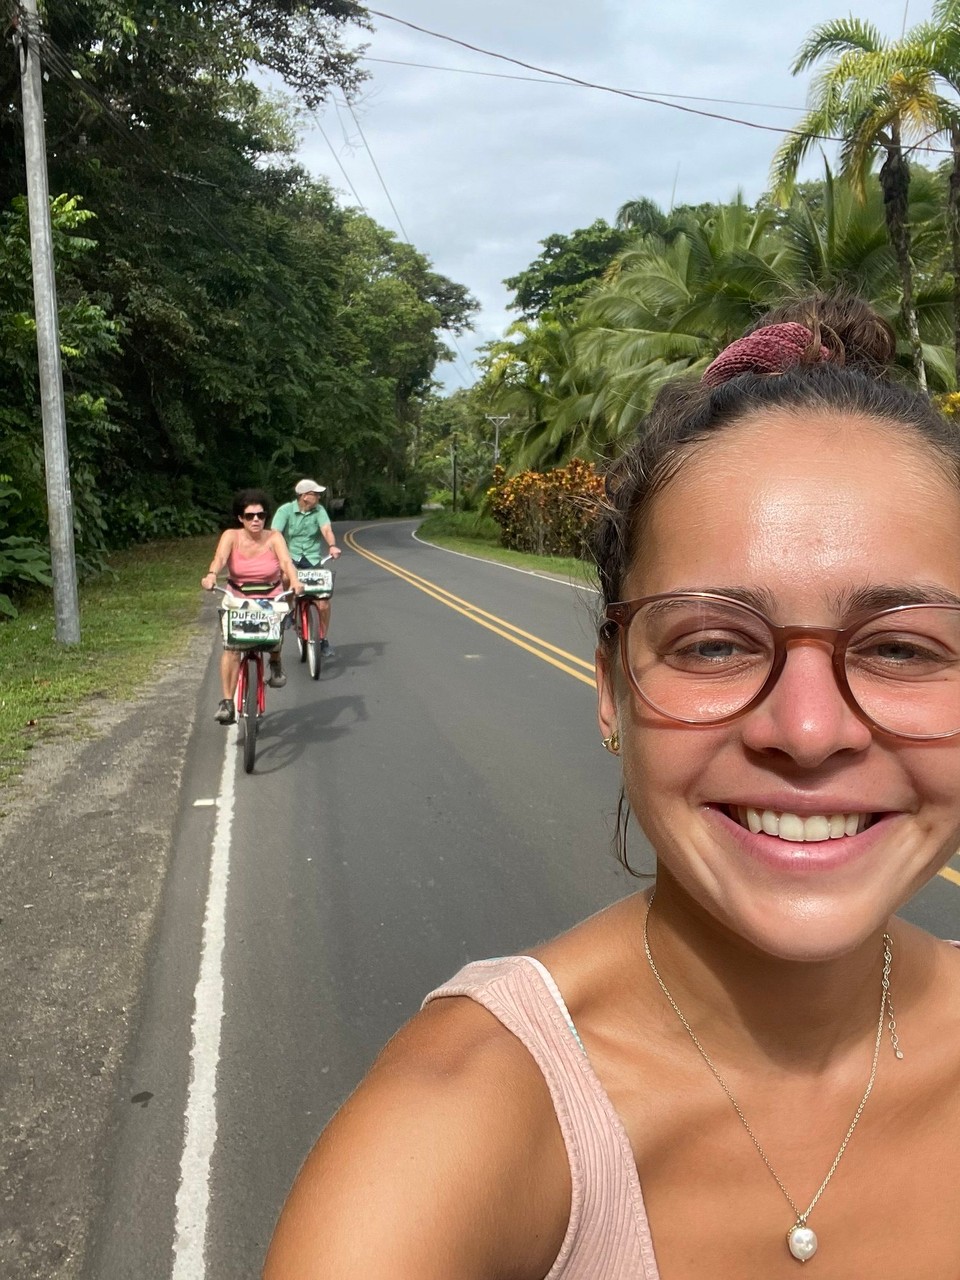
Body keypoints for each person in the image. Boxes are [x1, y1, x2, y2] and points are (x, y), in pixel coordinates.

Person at [263, 295, 960, 1279]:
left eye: (900, 648)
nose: (808, 732)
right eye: (712, 643)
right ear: (610, 688)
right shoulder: (455, 1125)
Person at [201, 489, 303, 724]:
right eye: (249, 516)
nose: (256, 520)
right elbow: (219, 559)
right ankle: (227, 703)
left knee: (273, 636)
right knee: (232, 647)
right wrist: (211, 575)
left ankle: (275, 661)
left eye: (261, 515)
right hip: (238, 597)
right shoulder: (231, 536)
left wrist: (295, 581)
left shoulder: (274, 537)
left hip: (270, 597)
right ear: (240, 518)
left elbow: (286, 562)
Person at [271, 479, 342, 657]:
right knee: (286, 578)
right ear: (304, 496)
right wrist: (277, 553)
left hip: (312, 558)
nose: (318, 497)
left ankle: (322, 638)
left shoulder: (319, 511)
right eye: (315, 494)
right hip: (291, 557)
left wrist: (332, 545)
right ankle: (289, 609)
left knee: (323, 602)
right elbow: (275, 534)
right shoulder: (285, 510)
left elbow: (326, 529)